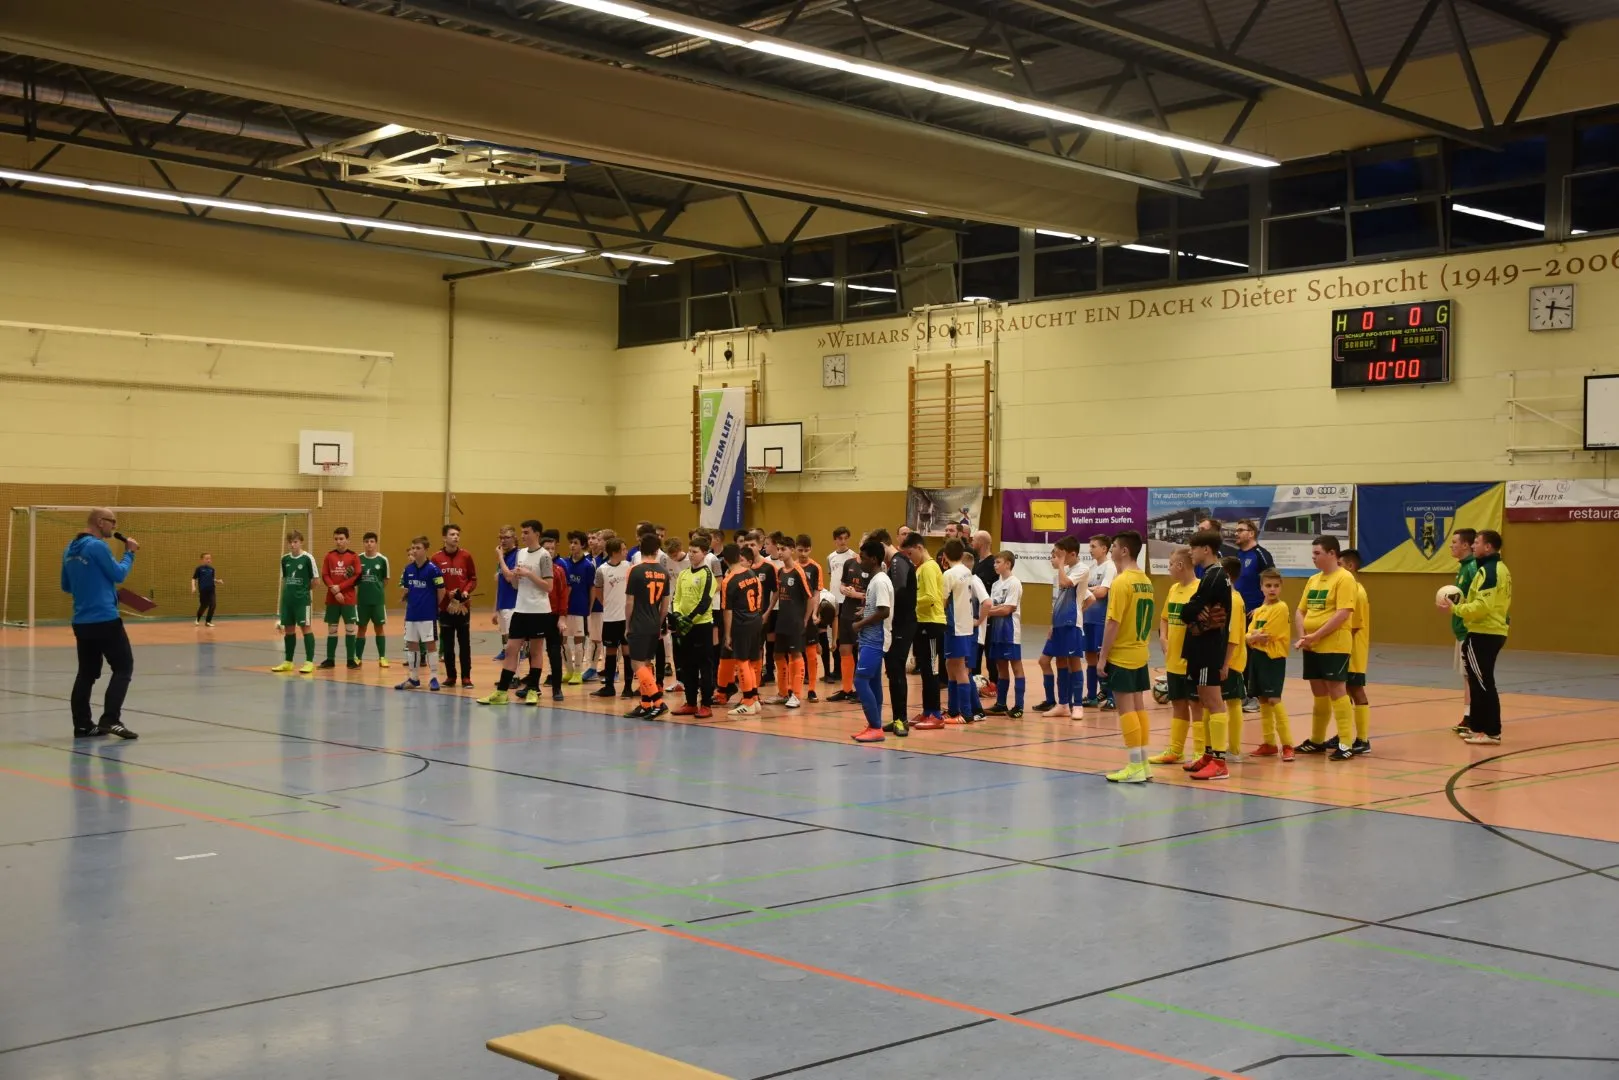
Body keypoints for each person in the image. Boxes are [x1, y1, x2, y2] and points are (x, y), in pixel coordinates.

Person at [62, 508, 139, 739]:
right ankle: (111, 719)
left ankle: (83, 725)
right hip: (105, 619)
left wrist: (96, 587)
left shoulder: (70, 548)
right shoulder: (97, 546)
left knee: (86, 673)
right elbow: (119, 574)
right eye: (111, 521)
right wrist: (130, 553)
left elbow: (66, 585)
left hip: (81, 621)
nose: (114, 526)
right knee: (123, 667)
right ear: (99, 521)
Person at [1441, 530, 1511, 746]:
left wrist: (1456, 608)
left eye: (1477, 542)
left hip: (1485, 632)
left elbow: (1482, 606)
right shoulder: (1496, 568)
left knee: (1483, 683)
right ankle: (1478, 728)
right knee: (1477, 681)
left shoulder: (1490, 571)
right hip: (1487, 630)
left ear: (1488, 547)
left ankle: (1492, 731)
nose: (1473, 546)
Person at [478, 520, 558, 706]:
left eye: (526, 532)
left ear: (536, 534)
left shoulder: (544, 556)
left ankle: (533, 690)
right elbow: (515, 584)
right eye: (522, 533)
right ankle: (502, 692)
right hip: (520, 609)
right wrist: (515, 576)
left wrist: (529, 574)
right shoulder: (521, 554)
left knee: (535, 651)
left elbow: (549, 587)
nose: (523, 536)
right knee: (511, 649)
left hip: (538, 611)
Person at [1099, 531, 1156, 783]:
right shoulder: (1145, 580)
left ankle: (1134, 766)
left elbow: (1113, 622)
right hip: (1140, 650)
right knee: (1138, 707)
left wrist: (1103, 656)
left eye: (1113, 546)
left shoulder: (1121, 582)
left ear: (1124, 551)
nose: (1110, 550)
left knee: (1126, 709)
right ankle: (1143, 763)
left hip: (1122, 652)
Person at [1293, 535, 1357, 758]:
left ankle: (1346, 743)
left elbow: (1343, 613)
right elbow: (1300, 611)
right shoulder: (1313, 580)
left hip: (1334, 645)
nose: (1313, 557)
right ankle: (1317, 739)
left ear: (1332, 553)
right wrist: (1303, 637)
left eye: (1317, 553)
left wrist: (1316, 635)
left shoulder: (1344, 578)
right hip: (1312, 646)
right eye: (1313, 553)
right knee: (1318, 692)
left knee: (1337, 690)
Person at [1148, 547, 1200, 768]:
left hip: (1193, 660)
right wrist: (1163, 638)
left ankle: (1200, 752)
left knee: (1196, 705)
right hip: (1173, 659)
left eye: (1170, 564)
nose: (1168, 568)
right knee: (1178, 703)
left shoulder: (1200, 589)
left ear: (1180, 566)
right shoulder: (1173, 589)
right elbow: (1164, 618)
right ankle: (1176, 750)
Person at [1245, 568, 1294, 761]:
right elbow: (1248, 634)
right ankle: (1269, 743)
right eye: (1268, 585)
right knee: (1263, 700)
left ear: (1281, 587)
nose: (1272, 589)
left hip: (1273, 659)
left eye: (1275, 585)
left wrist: (1253, 636)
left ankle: (1288, 745)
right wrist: (1252, 636)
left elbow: (1267, 635)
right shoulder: (1259, 610)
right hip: (1258, 657)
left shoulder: (1281, 608)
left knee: (1274, 699)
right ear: (1261, 587)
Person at [849, 539, 894, 743]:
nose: (860, 561)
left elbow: (884, 611)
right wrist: (865, 611)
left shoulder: (880, 582)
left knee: (860, 680)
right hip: (870, 638)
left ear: (874, 559)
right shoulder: (875, 580)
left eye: (863, 558)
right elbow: (877, 608)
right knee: (874, 681)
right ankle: (875, 724)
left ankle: (875, 727)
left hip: (876, 639)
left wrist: (860, 623)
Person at [1038, 536, 1087, 720]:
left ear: (1072, 554)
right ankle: (1063, 704)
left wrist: (1059, 565)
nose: (1057, 558)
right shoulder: (1065, 571)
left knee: (1074, 662)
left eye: (1060, 554)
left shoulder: (1082, 569)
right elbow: (1059, 599)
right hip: (1059, 623)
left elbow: (1070, 585)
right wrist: (1053, 623)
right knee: (1060, 662)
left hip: (1072, 623)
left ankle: (1078, 705)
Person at [624, 534, 671, 719]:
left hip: (639, 622)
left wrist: (627, 624)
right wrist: (658, 623)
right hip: (654, 622)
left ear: (640, 547)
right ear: (657, 550)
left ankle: (658, 703)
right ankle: (645, 704)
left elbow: (629, 602)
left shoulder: (635, 570)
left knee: (636, 663)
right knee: (646, 663)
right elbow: (665, 605)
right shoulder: (664, 572)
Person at [1232, 519, 1275, 713]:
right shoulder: (1237, 555)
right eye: (1236, 530)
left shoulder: (1261, 555)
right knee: (1239, 653)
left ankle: (1256, 696)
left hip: (1255, 613)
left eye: (1240, 530)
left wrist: (1262, 607)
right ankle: (1242, 693)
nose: (1236, 533)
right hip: (1238, 612)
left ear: (1251, 533)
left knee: (1254, 656)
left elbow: (1272, 582)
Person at [671, 547, 718, 717]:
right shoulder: (683, 574)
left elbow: (704, 602)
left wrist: (689, 619)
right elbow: (676, 598)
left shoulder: (707, 575)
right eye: (690, 551)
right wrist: (678, 615)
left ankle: (706, 704)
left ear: (704, 553)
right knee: (687, 665)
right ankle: (690, 702)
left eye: (695, 551)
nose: (691, 554)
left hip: (701, 626)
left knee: (704, 666)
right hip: (684, 626)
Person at [905, 532, 946, 729]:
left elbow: (930, 597)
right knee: (925, 670)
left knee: (931, 670)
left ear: (919, 548)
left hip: (932, 623)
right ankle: (927, 711)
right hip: (921, 622)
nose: (910, 558)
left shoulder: (929, 567)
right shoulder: (920, 568)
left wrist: (908, 603)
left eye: (910, 553)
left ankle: (936, 714)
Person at [721, 543, 764, 716]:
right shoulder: (752, 573)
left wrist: (728, 634)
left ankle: (747, 701)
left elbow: (728, 610)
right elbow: (759, 598)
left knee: (742, 661)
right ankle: (754, 698)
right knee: (752, 661)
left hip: (741, 624)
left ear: (725, 560)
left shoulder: (728, 580)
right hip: (756, 620)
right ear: (739, 557)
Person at [432, 524, 478, 689]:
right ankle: (451, 676)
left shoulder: (466, 556)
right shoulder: (436, 558)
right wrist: (447, 594)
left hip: (463, 606)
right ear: (444, 538)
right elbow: (434, 581)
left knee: (464, 643)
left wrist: (465, 591)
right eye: (452, 534)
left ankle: (466, 677)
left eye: (457, 534)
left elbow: (473, 578)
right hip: (446, 607)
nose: (456, 537)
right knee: (448, 644)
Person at [396, 536, 444, 691]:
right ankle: (413, 678)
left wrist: (435, 607)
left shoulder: (433, 569)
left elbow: (441, 590)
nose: (414, 551)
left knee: (430, 645)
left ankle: (434, 678)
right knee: (412, 645)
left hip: (428, 615)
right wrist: (405, 597)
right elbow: (407, 589)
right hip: (411, 614)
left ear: (426, 550)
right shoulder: (408, 569)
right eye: (413, 548)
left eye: (418, 548)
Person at [880, 529, 915, 734]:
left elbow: (898, 591)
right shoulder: (893, 562)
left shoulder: (897, 562)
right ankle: (897, 718)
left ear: (883, 545)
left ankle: (902, 720)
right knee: (893, 672)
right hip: (896, 624)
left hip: (902, 625)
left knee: (897, 670)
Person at [940, 539, 979, 724]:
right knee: (950, 664)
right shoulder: (966, 571)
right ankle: (953, 710)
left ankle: (966, 713)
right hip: (965, 625)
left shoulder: (949, 574)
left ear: (945, 555)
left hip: (955, 626)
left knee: (960, 668)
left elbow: (942, 600)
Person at [982, 551, 1025, 718]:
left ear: (1008, 564)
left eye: (998, 562)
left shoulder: (1014, 583)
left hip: (1010, 631)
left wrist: (987, 612)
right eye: (994, 562)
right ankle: (1001, 704)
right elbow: (994, 606)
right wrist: (991, 610)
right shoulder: (995, 584)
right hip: (997, 630)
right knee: (1001, 667)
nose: (995, 565)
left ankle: (1019, 706)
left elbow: (1008, 609)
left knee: (1016, 666)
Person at [769, 545, 812, 708]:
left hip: (795, 622)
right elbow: (777, 594)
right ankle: (783, 693)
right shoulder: (780, 572)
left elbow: (810, 597)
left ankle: (796, 695)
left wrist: (805, 619)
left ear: (792, 550)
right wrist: (767, 612)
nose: (780, 552)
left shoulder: (798, 572)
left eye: (783, 549)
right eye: (778, 549)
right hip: (782, 620)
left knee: (796, 655)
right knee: (778, 655)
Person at [1446, 528, 1479, 733]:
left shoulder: (1473, 568)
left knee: (1472, 676)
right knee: (1467, 676)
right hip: (1461, 629)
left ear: (1466, 545)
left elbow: (1478, 599)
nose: (1451, 546)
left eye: (1454, 542)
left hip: (1469, 630)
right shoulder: (1464, 568)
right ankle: (1469, 715)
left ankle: (1472, 717)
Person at [272, 530, 319, 675]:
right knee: (289, 630)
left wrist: (303, 591)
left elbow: (316, 581)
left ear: (301, 542)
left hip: (302, 601)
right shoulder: (285, 559)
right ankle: (288, 662)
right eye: (290, 542)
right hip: (288, 601)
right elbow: (286, 579)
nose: (292, 545)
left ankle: (309, 662)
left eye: (295, 542)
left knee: (306, 628)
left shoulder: (307, 558)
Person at [590, 537, 631, 697]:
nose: (626, 552)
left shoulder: (629, 566)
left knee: (627, 652)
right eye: (623, 549)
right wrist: (608, 604)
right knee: (610, 652)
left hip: (626, 618)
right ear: (614, 552)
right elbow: (598, 591)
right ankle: (609, 687)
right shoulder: (602, 570)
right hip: (610, 618)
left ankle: (628, 687)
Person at [1341, 548, 1373, 757]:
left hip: (1353, 650)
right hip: (1342, 648)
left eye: (1340, 565)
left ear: (1351, 566)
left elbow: (1352, 627)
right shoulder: (1346, 590)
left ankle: (1363, 739)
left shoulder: (1357, 592)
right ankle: (1343, 734)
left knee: (1355, 689)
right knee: (1342, 692)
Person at [831, 537, 870, 704]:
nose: (863, 546)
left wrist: (857, 595)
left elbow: (875, 593)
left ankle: (863, 691)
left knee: (862, 651)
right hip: (847, 611)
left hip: (862, 613)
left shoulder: (874, 567)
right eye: (862, 542)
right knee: (844, 649)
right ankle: (847, 689)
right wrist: (844, 590)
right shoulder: (849, 563)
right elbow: (842, 584)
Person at [1080, 535, 1115, 709]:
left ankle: (1111, 696)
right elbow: (1085, 592)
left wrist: (1087, 590)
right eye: (1090, 546)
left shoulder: (1110, 567)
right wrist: (1090, 589)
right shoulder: (1091, 568)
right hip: (1088, 618)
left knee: (1104, 657)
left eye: (1094, 546)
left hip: (1102, 619)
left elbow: (1102, 592)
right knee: (1090, 656)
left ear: (1104, 549)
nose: (1090, 549)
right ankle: (1092, 695)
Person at [319, 526, 361, 670]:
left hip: (348, 598)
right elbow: (325, 575)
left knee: (350, 628)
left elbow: (357, 576)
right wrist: (334, 590)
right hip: (332, 598)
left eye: (341, 539)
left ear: (347, 540)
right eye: (336, 539)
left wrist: (340, 587)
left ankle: (351, 660)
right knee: (332, 629)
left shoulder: (354, 556)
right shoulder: (329, 556)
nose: (339, 541)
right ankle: (330, 659)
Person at [559, 530, 597, 685]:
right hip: (565, 608)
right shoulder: (564, 563)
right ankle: (568, 670)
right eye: (571, 543)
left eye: (575, 543)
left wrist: (590, 607)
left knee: (578, 640)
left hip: (580, 607)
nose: (572, 546)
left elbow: (592, 588)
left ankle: (577, 671)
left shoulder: (588, 566)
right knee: (562, 640)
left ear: (583, 545)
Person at [793, 534, 826, 704]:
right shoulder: (792, 567)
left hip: (809, 613)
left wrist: (814, 613)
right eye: (800, 550)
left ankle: (812, 689)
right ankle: (793, 689)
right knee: (794, 653)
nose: (803, 554)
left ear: (810, 549)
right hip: (795, 615)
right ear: (795, 549)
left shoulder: (815, 567)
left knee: (811, 653)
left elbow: (816, 592)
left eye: (806, 550)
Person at [354, 531, 390, 668]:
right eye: (366, 541)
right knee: (361, 629)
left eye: (372, 541)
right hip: (362, 601)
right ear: (363, 543)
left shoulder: (382, 559)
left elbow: (385, 580)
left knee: (379, 628)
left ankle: (382, 657)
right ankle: (358, 657)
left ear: (376, 543)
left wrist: (376, 590)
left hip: (377, 601)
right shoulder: (358, 559)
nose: (369, 544)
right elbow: (354, 579)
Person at [825, 526, 854, 683]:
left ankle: (850, 670)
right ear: (835, 540)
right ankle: (836, 669)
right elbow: (833, 577)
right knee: (835, 636)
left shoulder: (853, 556)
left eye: (845, 538)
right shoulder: (830, 557)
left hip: (847, 601)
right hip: (834, 600)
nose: (843, 541)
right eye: (839, 538)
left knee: (848, 636)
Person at [491, 525, 519, 663]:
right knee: (504, 633)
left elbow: (509, 577)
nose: (503, 541)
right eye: (501, 538)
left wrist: (500, 557)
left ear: (514, 538)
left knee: (511, 636)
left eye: (507, 537)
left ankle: (516, 657)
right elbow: (499, 585)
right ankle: (505, 651)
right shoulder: (504, 557)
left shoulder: (517, 555)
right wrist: (495, 609)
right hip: (503, 602)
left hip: (512, 603)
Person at [191, 552, 220, 628]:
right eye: (206, 558)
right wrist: (193, 587)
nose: (208, 560)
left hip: (211, 590)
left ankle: (208, 622)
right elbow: (194, 578)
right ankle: (197, 619)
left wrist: (217, 581)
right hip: (203, 590)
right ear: (202, 559)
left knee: (213, 605)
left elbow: (212, 579)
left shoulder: (212, 569)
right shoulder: (199, 569)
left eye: (209, 558)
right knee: (204, 606)